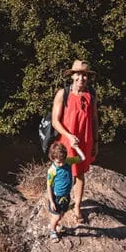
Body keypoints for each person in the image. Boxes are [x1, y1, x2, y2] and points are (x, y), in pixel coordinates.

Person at [50, 59, 98, 225]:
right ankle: (55, 201)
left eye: (84, 75)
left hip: (84, 140)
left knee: (79, 174)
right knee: (61, 172)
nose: (81, 78)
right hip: (65, 141)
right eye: (78, 74)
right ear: (72, 76)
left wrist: (96, 142)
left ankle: (77, 206)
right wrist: (69, 136)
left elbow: (94, 120)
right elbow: (55, 121)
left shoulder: (91, 94)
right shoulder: (62, 94)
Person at [45, 140, 79, 242]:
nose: (61, 164)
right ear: (52, 159)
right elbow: (49, 186)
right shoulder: (52, 170)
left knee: (62, 213)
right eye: (58, 162)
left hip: (66, 195)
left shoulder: (68, 162)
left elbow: (82, 158)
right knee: (57, 216)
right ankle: (52, 231)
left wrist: (76, 147)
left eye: (63, 160)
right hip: (57, 197)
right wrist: (51, 201)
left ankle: (56, 224)